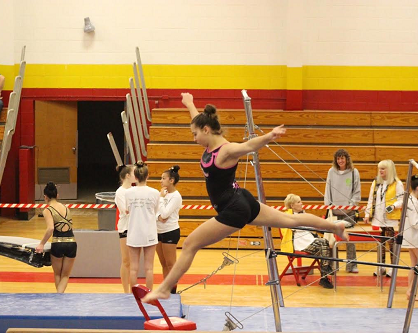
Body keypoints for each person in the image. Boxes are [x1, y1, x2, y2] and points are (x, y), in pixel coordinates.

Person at [141, 93, 348, 302]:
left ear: (206, 130)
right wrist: (190, 104)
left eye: (195, 134)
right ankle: (334, 227)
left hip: (233, 208)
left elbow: (248, 146)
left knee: (189, 245)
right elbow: (197, 120)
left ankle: (165, 289)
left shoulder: (225, 150)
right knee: (290, 219)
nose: (193, 138)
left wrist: (268, 136)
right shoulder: (209, 143)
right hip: (241, 198)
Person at [282, 194, 334, 288]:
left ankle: (324, 275)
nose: (302, 203)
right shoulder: (288, 216)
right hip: (299, 243)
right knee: (323, 244)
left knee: (324, 242)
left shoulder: (303, 214)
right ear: (292, 205)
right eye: (299, 202)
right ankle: (325, 274)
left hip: (309, 239)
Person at [363, 159, 404, 277]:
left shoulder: (397, 183)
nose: (380, 170)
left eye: (383, 168)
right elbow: (371, 199)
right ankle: (381, 266)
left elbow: (402, 200)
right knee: (380, 243)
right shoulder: (376, 182)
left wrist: (393, 205)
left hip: (391, 219)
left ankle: (392, 268)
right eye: (379, 168)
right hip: (378, 218)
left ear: (389, 170)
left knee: (391, 243)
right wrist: (367, 214)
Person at [324, 148, 361, 273]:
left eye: (342, 158)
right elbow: (327, 189)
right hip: (334, 212)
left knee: (349, 239)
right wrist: (329, 205)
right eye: (338, 158)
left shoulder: (353, 172)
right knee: (332, 240)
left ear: (347, 159)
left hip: (349, 213)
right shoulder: (331, 172)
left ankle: (352, 265)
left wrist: (350, 206)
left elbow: (357, 191)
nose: (340, 161)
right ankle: (334, 265)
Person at [36, 182, 77, 293]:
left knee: (58, 274)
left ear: (45, 197)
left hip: (58, 243)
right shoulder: (66, 208)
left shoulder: (47, 210)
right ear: (57, 195)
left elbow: (50, 229)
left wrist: (41, 244)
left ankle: (58, 298)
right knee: (65, 275)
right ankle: (60, 298)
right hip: (71, 243)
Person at [125, 161, 160, 291]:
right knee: (149, 267)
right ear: (148, 176)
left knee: (133, 268)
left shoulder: (128, 193)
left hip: (134, 232)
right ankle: (149, 293)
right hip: (149, 232)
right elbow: (156, 211)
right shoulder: (155, 193)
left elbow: (128, 209)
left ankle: (133, 294)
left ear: (135, 176)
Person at [156, 165, 182, 294]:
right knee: (163, 264)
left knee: (171, 264)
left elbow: (165, 215)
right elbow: (157, 213)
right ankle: (165, 288)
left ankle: (173, 290)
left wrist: (160, 199)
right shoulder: (163, 195)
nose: (161, 181)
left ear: (171, 180)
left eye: (163, 178)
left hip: (170, 231)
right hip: (158, 231)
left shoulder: (175, 196)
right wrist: (159, 217)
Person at [401, 175, 418, 300]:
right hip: (413, 237)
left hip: (412, 237)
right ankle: (410, 290)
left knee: (414, 265)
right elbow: (415, 223)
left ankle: (410, 292)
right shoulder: (412, 201)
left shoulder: (411, 199)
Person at [114, 164, 136, 293]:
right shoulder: (120, 192)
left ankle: (134, 289)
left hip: (135, 227)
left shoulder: (134, 190)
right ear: (127, 176)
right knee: (126, 260)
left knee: (134, 262)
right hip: (125, 228)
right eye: (134, 173)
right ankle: (126, 290)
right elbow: (125, 210)